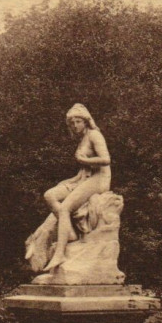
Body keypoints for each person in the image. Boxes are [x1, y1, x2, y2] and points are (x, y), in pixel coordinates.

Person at [41, 103, 111, 271]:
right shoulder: (82, 139)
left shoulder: (95, 135)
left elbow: (106, 159)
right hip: (83, 177)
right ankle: (70, 233)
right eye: (71, 123)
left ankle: (60, 253)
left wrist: (84, 160)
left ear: (85, 121)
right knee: (49, 195)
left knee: (65, 208)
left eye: (78, 121)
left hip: (99, 179)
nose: (75, 125)